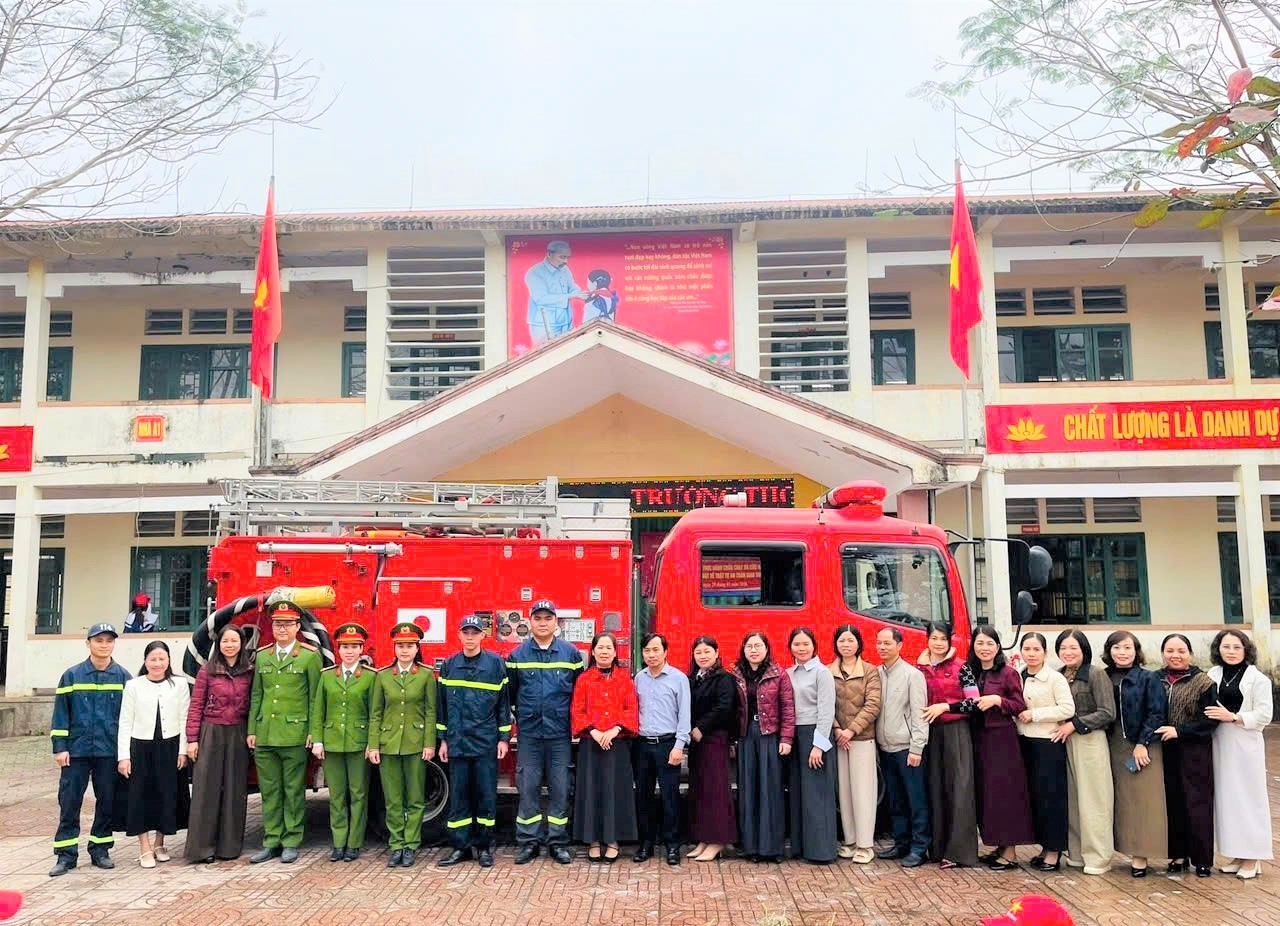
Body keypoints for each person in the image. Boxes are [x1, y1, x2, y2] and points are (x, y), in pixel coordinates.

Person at [49, 623, 132, 877]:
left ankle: (100, 849)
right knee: (70, 802)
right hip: (76, 752)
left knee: (107, 801)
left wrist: (125, 753)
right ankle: (66, 854)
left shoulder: (124, 677)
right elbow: (61, 715)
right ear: (88, 643)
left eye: (109, 640)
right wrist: (60, 748)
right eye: (99, 640)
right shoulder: (72, 676)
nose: (104, 645)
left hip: (108, 752)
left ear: (114, 644)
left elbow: (128, 718)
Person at [506, 599, 583, 866]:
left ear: (556, 623)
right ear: (529, 621)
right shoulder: (517, 656)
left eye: (547, 618)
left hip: (560, 734)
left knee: (561, 788)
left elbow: (578, 693)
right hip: (529, 734)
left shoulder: (570, 654)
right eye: (537, 618)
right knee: (528, 788)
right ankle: (529, 842)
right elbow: (511, 694)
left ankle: (558, 842)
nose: (542, 623)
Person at [246, 604, 321, 864]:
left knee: (292, 791)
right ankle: (271, 841)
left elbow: (315, 698)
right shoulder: (263, 656)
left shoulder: (309, 656)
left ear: (298, 627)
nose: (282, 628)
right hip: (266, 734)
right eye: (278, 623)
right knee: (270, 791)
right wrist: (252, 730)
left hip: (294, 733)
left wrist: (313, 731)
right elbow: (257, 695)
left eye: (288, 624)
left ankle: (291, 841)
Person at [437, 613, 511, 869]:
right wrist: (443, 739)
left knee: (485, 796)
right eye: (465, 633)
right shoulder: (449, 666)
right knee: (458, 798)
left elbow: (503, 705)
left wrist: (504, 738)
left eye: (474, 633)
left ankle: (483, 847)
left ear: (482, 635)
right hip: (457, 742)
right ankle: (461, 847)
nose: (470, 637)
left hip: (485, 743)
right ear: (459, 635)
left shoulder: (495, 665)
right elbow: (442, 707)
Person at [368, 621, 438, 867]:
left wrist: (429, 743)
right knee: (393, 799)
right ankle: (396, 844)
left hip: (416, 743)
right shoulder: (383, 676)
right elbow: (376, 713)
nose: (405, 650)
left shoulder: (427, 675)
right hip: (389, 744)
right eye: (400, 646)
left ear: (417, 648)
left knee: (415, 798)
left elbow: (431, 712)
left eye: (409, 645)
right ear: (394, 648)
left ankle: (411, 845)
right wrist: (373, 745)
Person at [117, 640, 190, 869]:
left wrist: (182, 751)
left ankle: (160, 842)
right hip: (140, 747)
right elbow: (125, 721)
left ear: (168, 660)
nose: (157, 663)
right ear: (145, 661)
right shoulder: (133, 685)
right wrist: (123, 756)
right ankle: (144, 847)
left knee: (167, 795)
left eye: (162, 658)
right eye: (153, 659)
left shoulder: (179, 684)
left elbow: (184, 718)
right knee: (141, 796)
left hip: (170, 747)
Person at [967, 625, 1035, 871]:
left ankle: (1011, 853)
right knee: (986, 794)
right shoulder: (971, 672)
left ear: (997, 647)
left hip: (1002, 740)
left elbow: (1018, 705)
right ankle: (997, 845)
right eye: (980, 643)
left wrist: (997, 700)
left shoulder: (1008, 673)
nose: (984, 648)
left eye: (989, 643)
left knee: (1005, 794)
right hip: (977, 738)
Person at [1207, 629, 1273, 880]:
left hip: (1245, 743)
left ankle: (1253, 856)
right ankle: (1238, 854)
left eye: (1237, 647)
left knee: (1249, 798)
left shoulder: (1259, 680)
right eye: (1226, 646)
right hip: (1219, 742)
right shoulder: (1213, 675)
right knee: (1228, 800)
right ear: (1218, 649)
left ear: (1246, 650)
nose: (1231, 651)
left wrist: (1235, 717)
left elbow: (1265, 715)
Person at [1102, 630, 1168, 879]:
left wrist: (1143, 743)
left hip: (1142, 745)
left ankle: (1141, 856)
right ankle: (1123, 850)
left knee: (1142, 800)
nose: (1122, 652)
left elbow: (1156, 712)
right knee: (1120, 801)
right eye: (1117, 648)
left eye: (1127, 648)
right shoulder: (1103, 676)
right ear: (1109, 651)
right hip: (1111, 744)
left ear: (1136, 650)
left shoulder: (1148, 678)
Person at [186, 623, 254, 863]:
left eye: (234, 641)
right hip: (211, 732)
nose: (230, 645)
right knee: (207, 789)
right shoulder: (207, 671)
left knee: (235, 790)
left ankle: (229, 848)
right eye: (225, 641)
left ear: (242, 644)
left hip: (238, 732)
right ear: (219, 644)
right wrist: (192, 739)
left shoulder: (249, 671)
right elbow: (196, 706)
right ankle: (202, 849)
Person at [311, 622, 378, 863]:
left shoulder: (371, 678)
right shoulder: (328, 677)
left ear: (361, 649)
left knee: (358, 794)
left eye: (354, 647)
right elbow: (318, 710)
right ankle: (338, 842)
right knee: (337, 795)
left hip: (358, 744)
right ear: (338, 650)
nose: (349, 651)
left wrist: (372, 744)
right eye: (345, 647)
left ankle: (354, 843)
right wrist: (317, 740)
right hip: (332, 743)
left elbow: (374, 714)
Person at [571, 632, 639, 862]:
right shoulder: (584, 679)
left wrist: (615, 730)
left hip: (617, 745)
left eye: (609, 648)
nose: (604, 651)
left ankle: (613, 840)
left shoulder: (624, 678)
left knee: (615, 792)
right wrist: (594, 731)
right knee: (591, 791)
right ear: (592, 651)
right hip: (591, 745)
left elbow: (631, 709)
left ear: (614, 652)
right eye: (600, 647)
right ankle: (593, 840)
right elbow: (577, 710)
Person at [1154, 633, 1218, 877]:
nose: (1175, 655)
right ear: (1163, 654)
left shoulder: (1203, 682)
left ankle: (1202, 859)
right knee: (1172, 803)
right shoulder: (1156, 679)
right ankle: (1178, 855)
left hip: (1194, 750)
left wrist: (1180, 731)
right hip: (1164, 750)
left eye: (1181, 651)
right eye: (1170, 651)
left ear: (1189, 653)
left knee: (1198, 803)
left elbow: (1210, 721)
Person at [918, 620, 980, 869]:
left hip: (956, 731)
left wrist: (946, 706)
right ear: (928, 640)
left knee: (960, 789)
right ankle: (937, 848)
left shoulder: (961, 667)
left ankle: (959, 853)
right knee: (935, 788)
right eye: (934, 638)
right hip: (931, 733)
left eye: (943, 639)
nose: (939, 643)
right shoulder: (920, 668)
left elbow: (974, 702)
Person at [1054, 629, 1116, 876]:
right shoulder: (1058, 676)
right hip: (1064, 740)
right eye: (1063, 648)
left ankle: (1099, 857)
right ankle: (1077, 853)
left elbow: (1107, 712)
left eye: (1073, 648)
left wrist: (1075, 724)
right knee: (1073, 800)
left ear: (1084, 650)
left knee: (1094, 800)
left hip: (1089, 739)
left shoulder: (1095, 673)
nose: (1068, 653)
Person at [731, 631, 794, 863]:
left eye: (758, 646)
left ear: (767, 649)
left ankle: (773, 848)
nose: (754, 650)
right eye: (749, 646)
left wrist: (786, 739)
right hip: (746, 736)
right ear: (743, 649)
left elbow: (788, 709)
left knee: (771, 790)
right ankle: (752, 848)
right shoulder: (735, 674)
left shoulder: (779, 674)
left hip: (770, 736)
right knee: (748, 791)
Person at [1016, 632, 1074, 873]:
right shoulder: (1019, 675)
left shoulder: (1055, 678)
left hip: (1048, 744)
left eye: (1036, 649)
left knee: (1052, 799)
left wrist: (1036, 714)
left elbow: (1067, 708)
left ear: (1045, 653)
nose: (1031, 654)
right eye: (1027, 649)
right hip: (1024, 743)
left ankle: (1054, 851)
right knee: (1035, 799)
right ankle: (1043, 847)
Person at [632, 632, 691, 866]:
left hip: (669, 745)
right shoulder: (639, 678)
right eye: (647, 650)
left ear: (666, 652)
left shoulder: (678, 678)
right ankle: (646, 843)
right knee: (643, 796)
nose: (652, 654)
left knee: (670, 797)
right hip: (643, 745)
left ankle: (672, 845)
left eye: (656, 650)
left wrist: (679, 746)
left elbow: (684, 715)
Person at [875, 626, 930, 868]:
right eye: (879, 643)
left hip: (907, 748)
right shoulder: (876, 673)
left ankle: (920, 847)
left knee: (915, 799)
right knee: (895, 800)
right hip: (885, 748)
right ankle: (901, 842)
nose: (882, 647)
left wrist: (917, 747)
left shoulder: (912, 675)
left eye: (887, 643)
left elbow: (920, 715)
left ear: (899, 645)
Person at [828, 624, 881, 864]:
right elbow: (825, 704)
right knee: (845, 793)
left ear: (859, 643)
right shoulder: (828, 671)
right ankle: (849, 841)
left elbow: (873, 705)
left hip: (861, 738)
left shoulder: (870, 671)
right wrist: (838, 728)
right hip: (839, 739)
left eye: (850, 640)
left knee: (864, 792)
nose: (846, 644)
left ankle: (865, 845)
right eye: (842, 640)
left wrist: (851, 730)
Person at [785, 627, 837, 864]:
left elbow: (827, 711)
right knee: (798, 793)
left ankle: (821, 851)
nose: (801, 648)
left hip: (815, 735)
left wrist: (819, 745)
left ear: (814, 646)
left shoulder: (821, 672)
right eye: (797, 644)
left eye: (806, 644)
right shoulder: (788, 673)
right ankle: (801, 847)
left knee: (818, 795)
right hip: (794, 736)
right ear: (790, 648)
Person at [686, 635, 737, 862]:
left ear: (717, 653)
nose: (703, 656)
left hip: (715, 739)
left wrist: (701, 728)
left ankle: (718, 841)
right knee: (700, 790)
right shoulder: (693, 679)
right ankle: (704, 839)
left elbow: (724, 708)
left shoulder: (724, 678)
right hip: (697, 741)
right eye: (698, 652)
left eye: (707, 651)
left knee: (716, 791)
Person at [525, 240, 588, 344]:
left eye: (567, 257)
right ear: (549, 254)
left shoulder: (565, 269)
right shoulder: (535, 272)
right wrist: (570, 295)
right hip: (544, 324)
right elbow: (541, 298)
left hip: (565, 321)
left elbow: (572, 287)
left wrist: (580, 293)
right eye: (562, 257)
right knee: (546, 355)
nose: (566, 261)